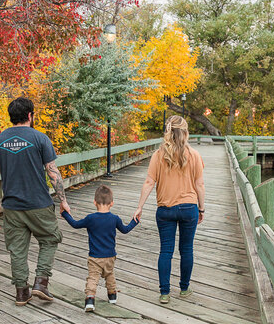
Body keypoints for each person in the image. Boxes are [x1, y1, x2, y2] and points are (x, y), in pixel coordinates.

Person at [0, 97, 70, 306]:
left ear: (11, 116)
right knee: (50, 238)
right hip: (39, 203)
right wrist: (63, 200)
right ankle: (41, 283)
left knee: (17, 249)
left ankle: (21, 292)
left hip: (12, 206)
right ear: (30, 115)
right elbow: (53, 173)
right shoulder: (40, 138)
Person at [133, 116, 205, 304]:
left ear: (168, 131)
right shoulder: (195, 155)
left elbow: (149, 182)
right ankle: (184, 289)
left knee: (166, 250)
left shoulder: (159, 155)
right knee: (186, 249)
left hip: (165, 209)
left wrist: (139, 206)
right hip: (189, 208)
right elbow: (200, 184)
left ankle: (164, 293)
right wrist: (202, 208)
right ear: (185, 132)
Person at [61, 185, 138, 312]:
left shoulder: (90, 218)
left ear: (94, 202)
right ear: (111, 203)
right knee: (110, 275)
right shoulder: (115, 218)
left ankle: (90, 299)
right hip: (110, 256)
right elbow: (125, 230)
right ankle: (112, 295)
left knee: (93, 278)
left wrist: (64, 213)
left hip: (95, 257)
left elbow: (75, 224)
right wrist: (135, 221)